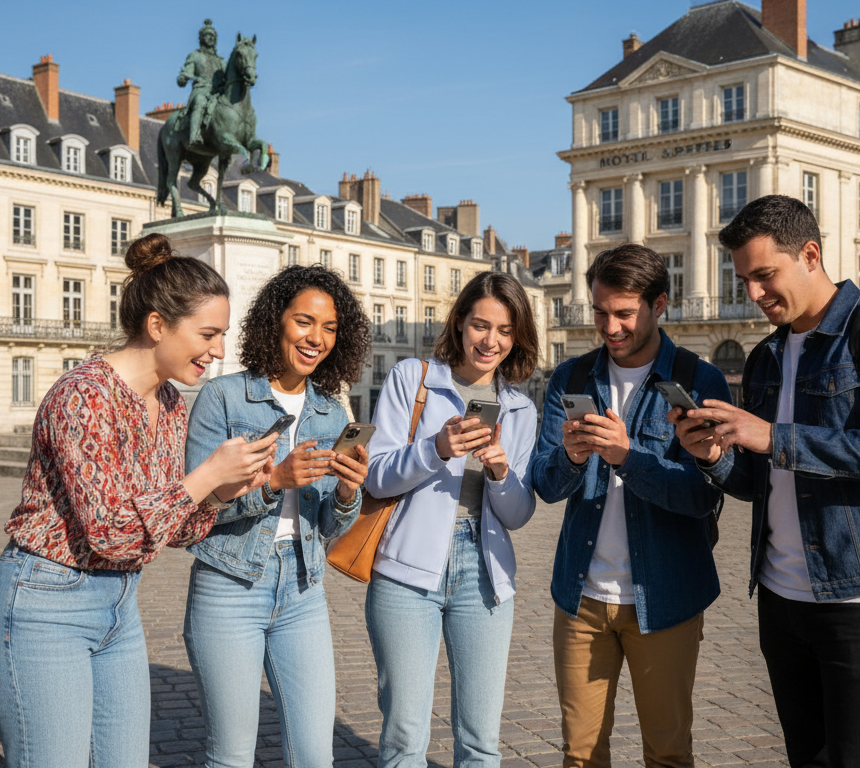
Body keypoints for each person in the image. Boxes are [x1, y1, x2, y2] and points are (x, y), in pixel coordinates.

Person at [0, 232, 278, 767]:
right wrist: (204, 477)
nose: (220, 351)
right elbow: (110, 533)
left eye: (223, 334)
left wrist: (225, 490)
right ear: (157, 325)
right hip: (43, 603)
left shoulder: (170, 404)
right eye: (208, 334)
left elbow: (171, 530)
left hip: (118, 606)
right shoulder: (83, 395)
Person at [673, 195, 860, 767]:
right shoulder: (766, 357)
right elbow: (759, 481)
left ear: (811, 254)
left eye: (765, 275)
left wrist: (772, 435)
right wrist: (714, 456)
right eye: (743, 278)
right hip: (781, 595)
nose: (753, 293)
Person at [530, 243, 729, 768]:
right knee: (580, 756)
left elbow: (701, 496)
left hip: (665, 597)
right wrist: (571, 460)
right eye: (600, 312)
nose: (610, 326)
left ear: (659, 305)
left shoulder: (696, 380)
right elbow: (546, 485)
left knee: (667, 753)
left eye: (624, 313)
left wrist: (627, 457)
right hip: (581, 598)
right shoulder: (571, 378)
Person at [183, 264, 372, 767]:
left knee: (315, 755)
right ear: (276, 322)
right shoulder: (222, 397)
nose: (317, 339)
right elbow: (195, 511)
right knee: (232, 756)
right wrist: (274, 482)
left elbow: (330, 529)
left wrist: (349, 495)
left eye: (330, 328)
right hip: (229, 586)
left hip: (303, 590)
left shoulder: (332, 412)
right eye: (305, 322)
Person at [363, 271, 539, 768]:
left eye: (505, 331)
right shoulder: (412, 378)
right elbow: (376, 477)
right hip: (406, 570)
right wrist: (435, 448)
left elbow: (518, 514)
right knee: (404, 737)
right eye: (481, 325)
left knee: (481, 742)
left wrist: (502, 472)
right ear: (460, 323)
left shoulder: (521, 407)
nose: (492, 341)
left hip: (484, 575)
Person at [177, 18, 225, 149]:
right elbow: (186, 73)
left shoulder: (221, 61)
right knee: (200, 102)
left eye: (213, 36)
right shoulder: (194, 56)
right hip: (201, 90)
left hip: (217, 93)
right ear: (201, 38)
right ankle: (194, 136)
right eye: (208, 35)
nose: (211, 38)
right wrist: (183, 78)